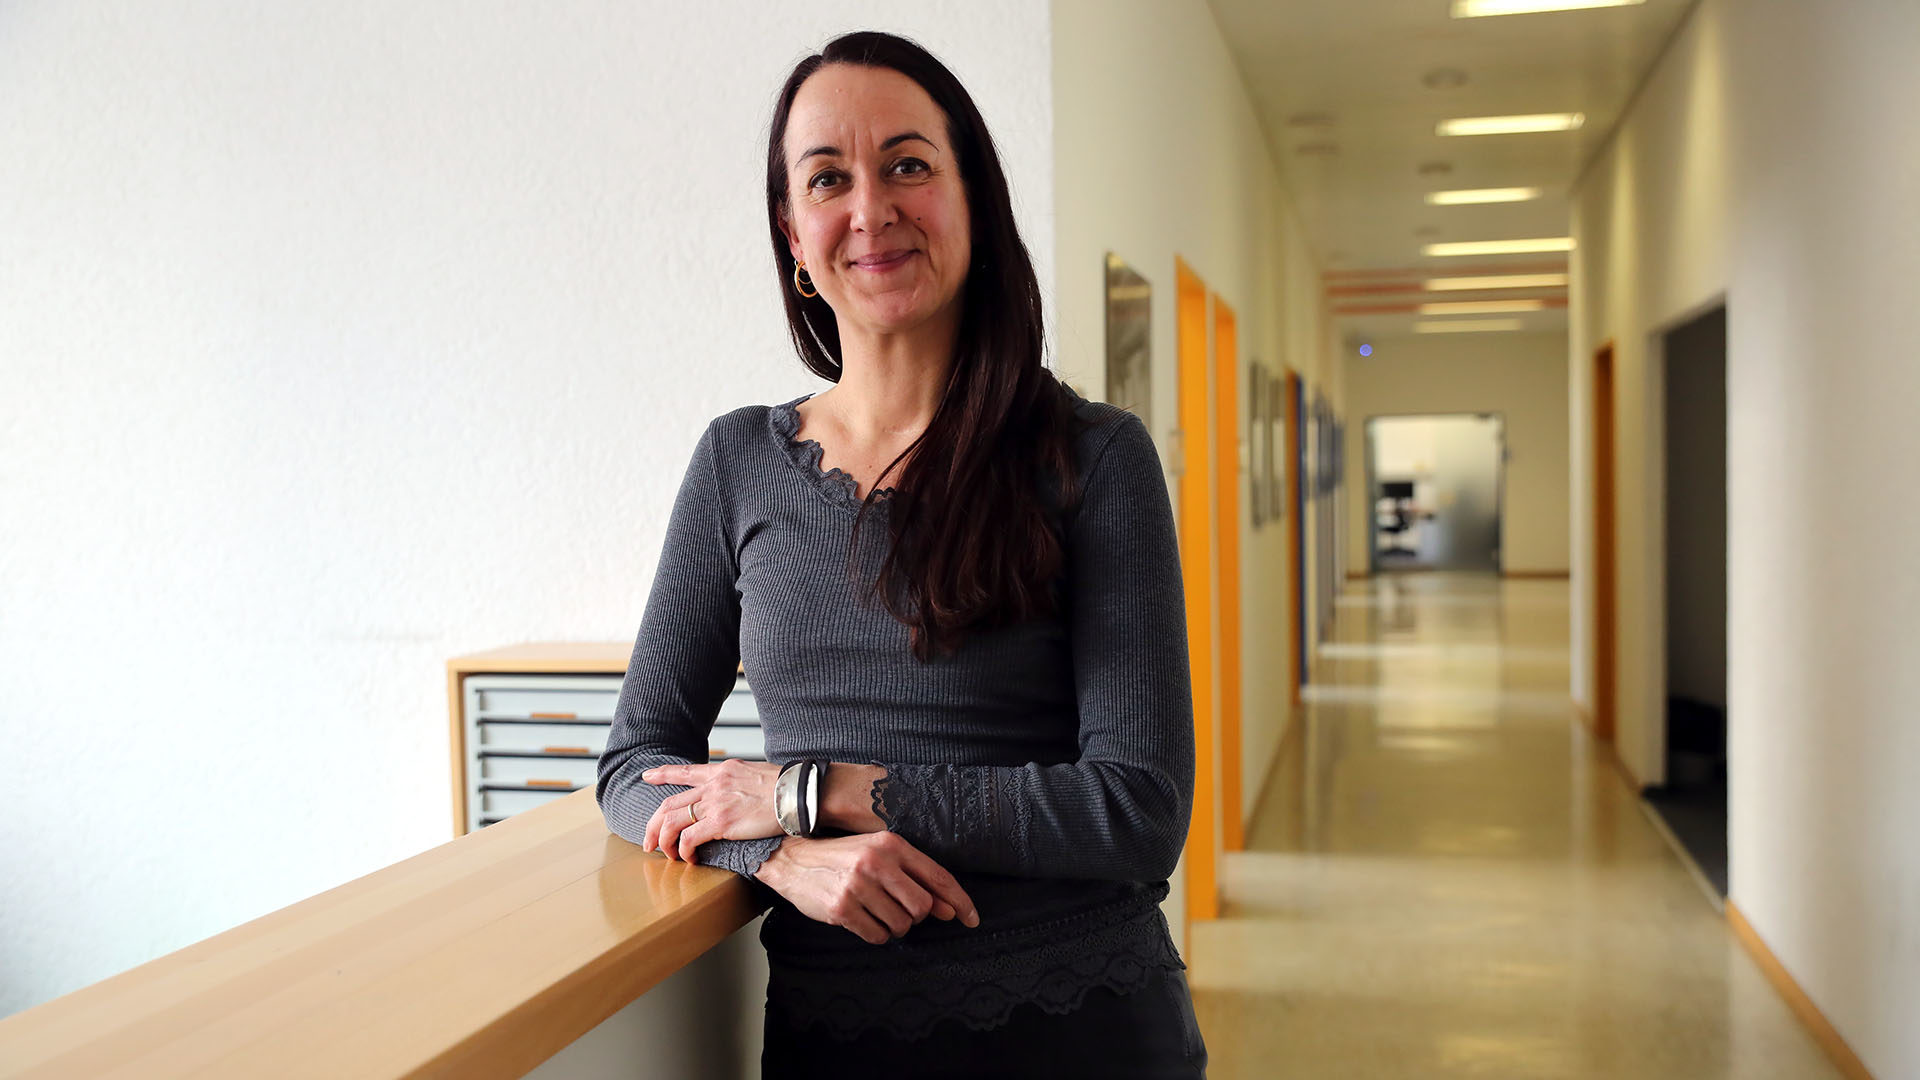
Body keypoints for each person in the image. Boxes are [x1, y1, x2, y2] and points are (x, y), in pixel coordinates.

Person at [596, 30, 1206, 1079]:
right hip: (839, 1038)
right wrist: (776, 852)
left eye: (909, 165)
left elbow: (1137, 810)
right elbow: (632, 763)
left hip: (1082, 1028)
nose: (871, 210)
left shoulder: (1095, 458)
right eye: (828, 178)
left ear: (974, 200)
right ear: (793, 234)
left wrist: (818, 790)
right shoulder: (738, 461)